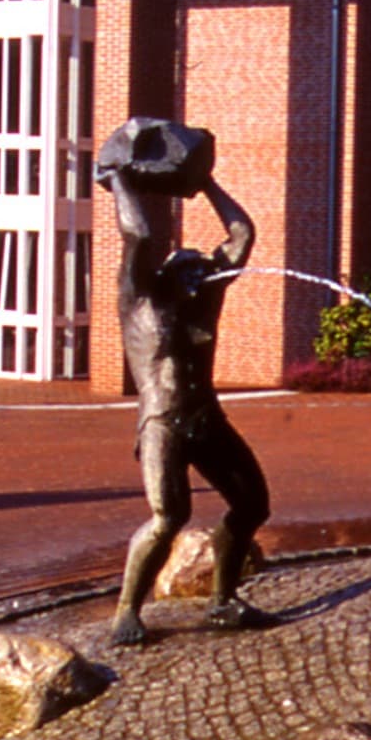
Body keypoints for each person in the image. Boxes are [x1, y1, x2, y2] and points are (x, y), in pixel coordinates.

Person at [95, 118, 271, 648]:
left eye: (203, 269)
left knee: (252, 506)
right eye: (190, 268)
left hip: (205, 417)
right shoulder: (141, 297)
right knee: (170, 517)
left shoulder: (204, 299)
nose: (202, 275)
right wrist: (118, 181)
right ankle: (127, 609)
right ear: (169, 271)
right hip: (163, 423)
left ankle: (223, 601)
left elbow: (241, 235)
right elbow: (141, 235)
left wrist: (206, 184)